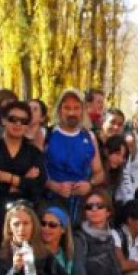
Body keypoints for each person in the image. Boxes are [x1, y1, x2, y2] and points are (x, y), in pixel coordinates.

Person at [0, 99, 46, 250]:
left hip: (23, 222)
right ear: (3, 121)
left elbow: (38, 187)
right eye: (13, 119)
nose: (18, 124)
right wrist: (23, 181)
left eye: (23, 121)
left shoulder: (33, 153)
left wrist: (9, 178)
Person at [44, 89, 105, 225]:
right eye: (67, 108)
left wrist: (90, 184)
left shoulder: (89, 137)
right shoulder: (47, 135)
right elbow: (36, 171)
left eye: (76, 108)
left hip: (80, 206)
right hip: (52, 205)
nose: (71, 112)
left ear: (82, 110)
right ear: (60, 110)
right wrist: (54, 186)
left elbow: (99, 173)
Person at [75, 191, 131, 275]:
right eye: (89, 207)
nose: (94, 210)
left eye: (99, 206)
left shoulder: (110, 237)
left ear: (108, 212)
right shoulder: (79, 239)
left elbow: (115, 270)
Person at [101, 134, 132, 206]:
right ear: (106, 151)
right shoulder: (96, 172)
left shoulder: (118, 173)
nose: (120, 160)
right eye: (117, 154)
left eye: (123, 156)